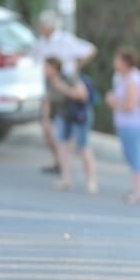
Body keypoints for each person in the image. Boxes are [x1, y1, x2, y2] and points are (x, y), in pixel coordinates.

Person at [32, 10, 97, 174]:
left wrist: (75, 67)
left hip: (65, 82)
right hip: (50, 84)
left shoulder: (65, 40)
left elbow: (90, 49)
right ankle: (60, 162)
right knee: (47, 125)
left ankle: (67, 165)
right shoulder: (41, 42)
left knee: (65, 127)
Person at [43, 57, 97, 194]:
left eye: (47, 67)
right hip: (63, 116)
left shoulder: (69, 78)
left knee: (83, 146)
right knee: (62, 146)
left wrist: (62, 87)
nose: (44, 70)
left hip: (80, 115)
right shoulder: (48, 81)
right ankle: (66, 178)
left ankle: (91, 181)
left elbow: (82, 95)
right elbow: (48, 100)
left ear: (54, 67)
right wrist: (46, 119)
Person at [106, 48, 140, 205]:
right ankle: (136, 190)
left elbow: (131, 104)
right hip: (125, 124)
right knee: (131, 156)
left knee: (135, 157)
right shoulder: (122, 78)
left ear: (125, 62)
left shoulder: (133, 79)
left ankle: (139, 193)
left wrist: (113, 101)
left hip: (133, 124)